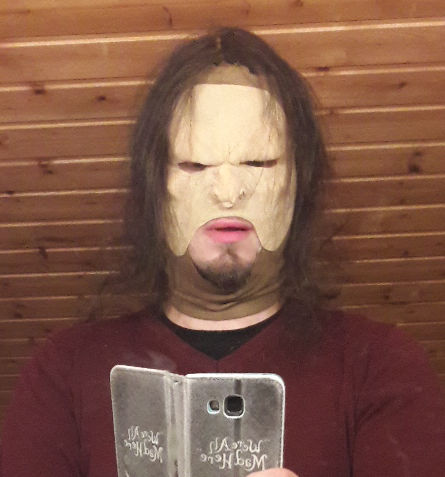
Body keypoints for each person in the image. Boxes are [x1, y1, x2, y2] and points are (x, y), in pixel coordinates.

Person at [1, 27, 444, 477]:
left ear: (299, 183)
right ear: (154, 188)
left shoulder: (380, 365)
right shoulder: (65, 370)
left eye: (259, 162)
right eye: (194, 165)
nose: (229, 193)